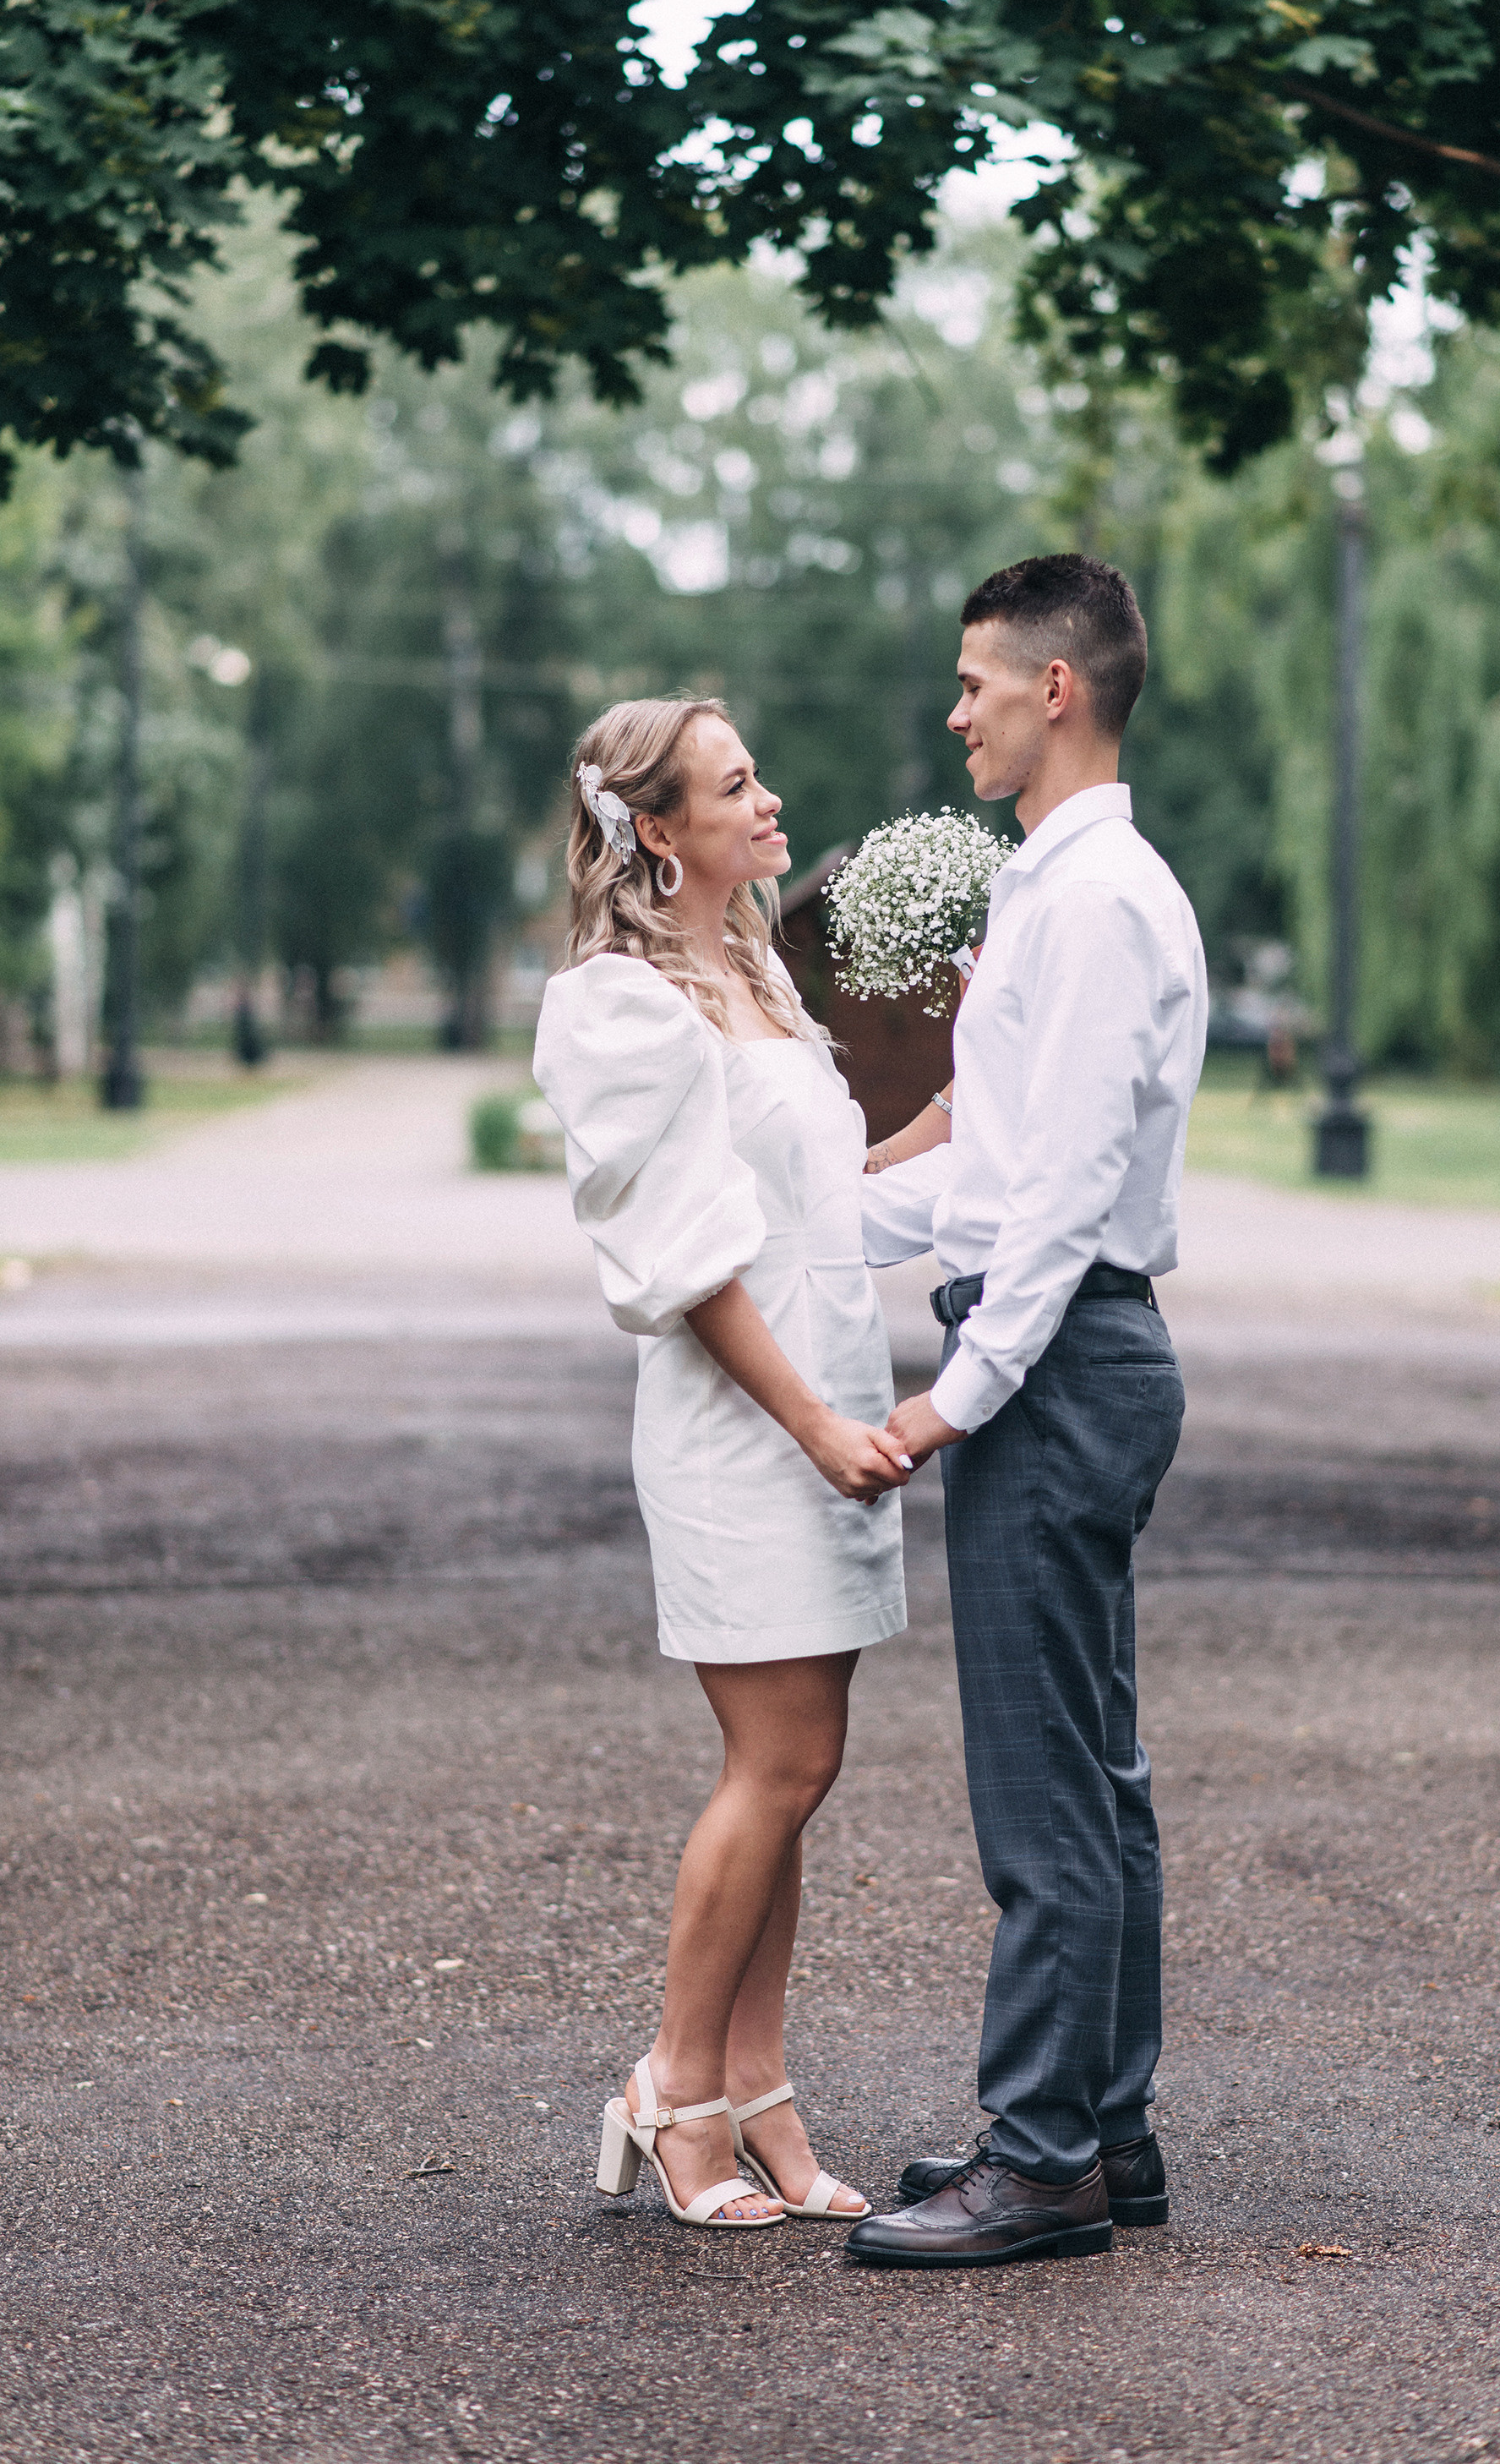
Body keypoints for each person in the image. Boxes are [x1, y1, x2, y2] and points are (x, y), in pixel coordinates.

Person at [846, 554, 1208, 2270]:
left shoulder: (1095, 901)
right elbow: (990, 1174)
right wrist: (797, 1219)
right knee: (1093, 1770)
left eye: (974, 681)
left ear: (1055, 686)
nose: (955, 713)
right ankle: (1105, 2130)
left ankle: (1044, 2155)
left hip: (1056, 1365)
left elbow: (1058, 1193)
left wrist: (956, 1393)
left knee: (1045, 1787)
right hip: (1071, 1348)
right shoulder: (1067, 887)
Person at [533, 695, 932, 2233]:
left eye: (760, 774)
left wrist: (959, 1114)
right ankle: (675, 2084)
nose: (769, 801)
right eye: (736, 784)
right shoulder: (622, 1006)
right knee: (776, 1762)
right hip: (743, 1426)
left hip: (829, 1401)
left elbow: (822, 1199)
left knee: (799, 1769)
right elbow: (689, 1259)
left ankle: (759, 2083)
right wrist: (816, 1425)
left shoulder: (755, 970)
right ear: (656, 828)